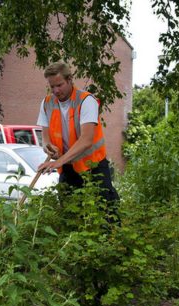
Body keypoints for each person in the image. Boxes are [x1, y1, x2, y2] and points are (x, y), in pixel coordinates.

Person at [35, 61, 120, 217]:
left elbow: (86, 140)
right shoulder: (47, 103)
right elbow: (45, 138)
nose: (55, 90)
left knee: (106, 212)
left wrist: (57, 162)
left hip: (93, 166)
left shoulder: (86, 101)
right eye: (52, 86)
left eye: (59, 85)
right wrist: (48, 147)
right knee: (70, 215)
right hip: (68, 168)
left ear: (69, 80)